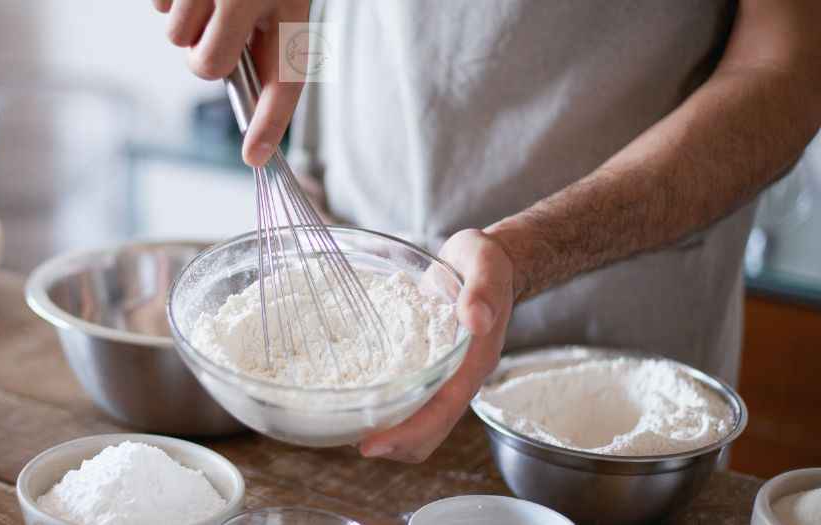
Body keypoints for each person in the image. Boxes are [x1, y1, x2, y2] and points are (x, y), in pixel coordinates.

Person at [153, 0, 821, 463]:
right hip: (343, 343)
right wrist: (294, 47)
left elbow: (787, 70)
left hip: (599, 393)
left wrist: (529, 251)